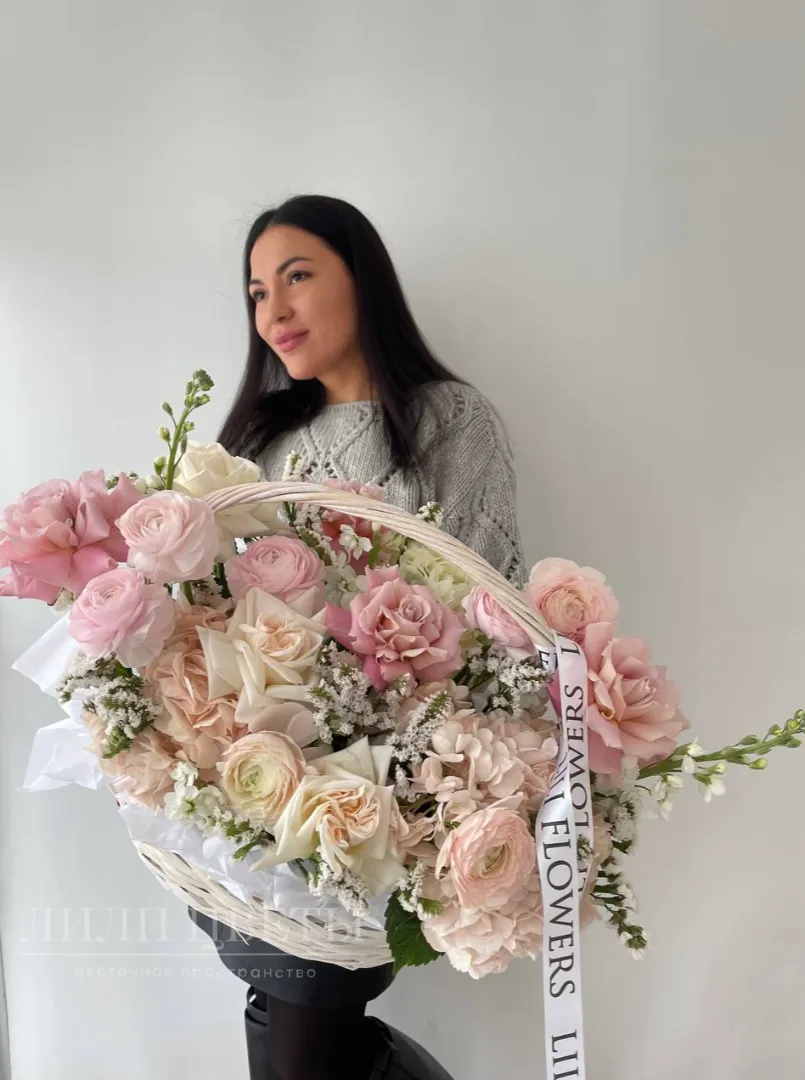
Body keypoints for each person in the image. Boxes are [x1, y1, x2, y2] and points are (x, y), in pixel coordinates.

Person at [193, 194, 527, 1080]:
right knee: (294, 1019)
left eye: (297, 276)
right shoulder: (261, 444)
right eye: (257, 293)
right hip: (260, 789)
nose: (274, 310)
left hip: (393, 790)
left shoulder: (449, 420)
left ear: (363, 278)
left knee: (305, 1029)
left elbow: (489, 612)